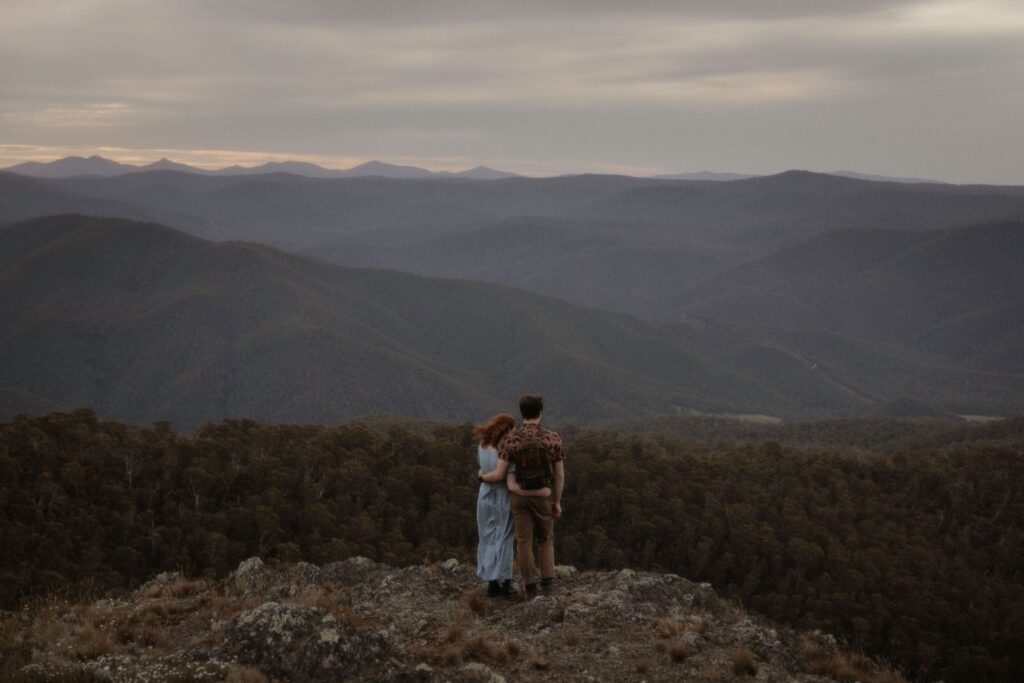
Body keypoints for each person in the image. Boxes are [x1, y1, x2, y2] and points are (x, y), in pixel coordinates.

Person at [474, 413, 550, 598]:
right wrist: (538, 492)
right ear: (506, 430)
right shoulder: (507, 453)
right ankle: (505, 583)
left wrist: (482, 477)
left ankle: (491, 582)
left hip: (484, 495)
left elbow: (482, 470)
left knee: (487, 537)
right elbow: (508, 482)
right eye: (512, 430)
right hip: (501, 497)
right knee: (505, 538)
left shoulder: (482, 447)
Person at [498, 394, 566, 595]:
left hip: (519, 497)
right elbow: (559, 474)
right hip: (543, 495)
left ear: (522, 413)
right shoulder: (552, 438)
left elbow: (501, 472)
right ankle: (548, 582)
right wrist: (556, 501)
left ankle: (529, 586)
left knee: (524, 541)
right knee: (545, 538)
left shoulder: (510, 439)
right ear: (540, 413)